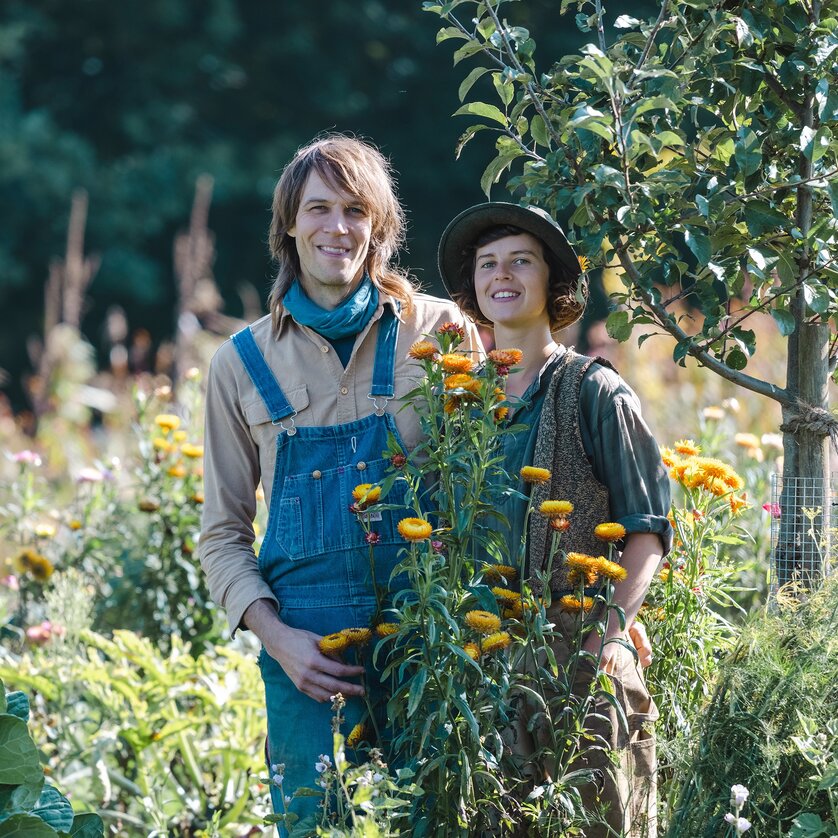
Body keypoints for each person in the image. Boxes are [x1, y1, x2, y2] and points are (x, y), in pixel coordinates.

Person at [198, 135, 479, 828]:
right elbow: (223, 535)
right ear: (288, 226)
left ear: (379, 226)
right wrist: (277, 639)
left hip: (427, 643)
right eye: (319, 209)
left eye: (356, 210)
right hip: (307, 660)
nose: (337, 227)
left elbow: (484, 490)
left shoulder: (443, 332)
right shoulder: (239, 364)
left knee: (434, 821)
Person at [438, 202, 671, 837]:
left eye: (521, 260)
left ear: (553, 283)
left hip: (583, 654)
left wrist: (613, 635)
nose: (501, 274)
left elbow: (647, 531)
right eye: (487, 264)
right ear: (475, 290)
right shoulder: (459, 405)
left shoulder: (595, 390)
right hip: (484, 664)